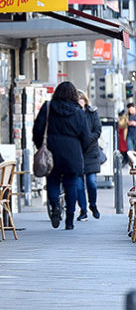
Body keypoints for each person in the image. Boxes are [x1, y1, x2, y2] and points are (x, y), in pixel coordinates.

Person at [32, 81, 91, 231]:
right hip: (73, 152)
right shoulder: (78, 111)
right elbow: (86, 136)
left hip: (52, 150)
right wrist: (80, 150)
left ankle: (55, 207)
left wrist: (41, 147)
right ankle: (70, 220)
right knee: (71, 184)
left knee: (52, 181)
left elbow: (38, 129)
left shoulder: (48, 107)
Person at [76, 90, 101, 221]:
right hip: (77, 152)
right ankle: (83, 210)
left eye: (81, 99)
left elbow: (97, 130)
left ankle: (93, 205)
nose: (80, 101)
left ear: (85, 100)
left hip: (91, 152)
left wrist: (87, 139)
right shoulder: (72, 114)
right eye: (77, 99)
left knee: (92, 182)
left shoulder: (92, 113)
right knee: (79, 185)